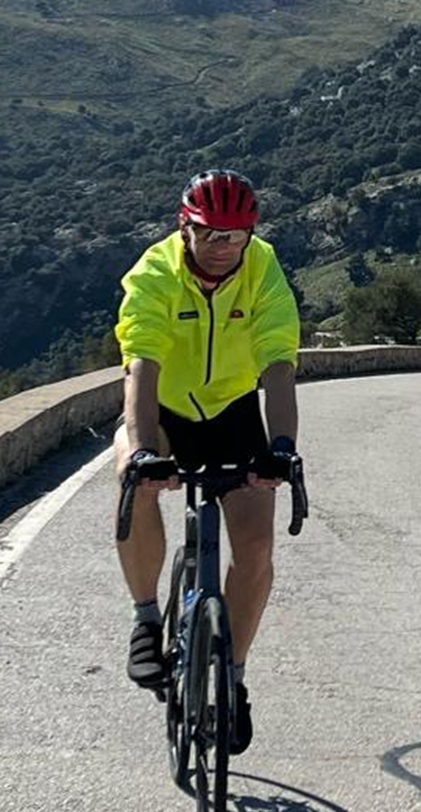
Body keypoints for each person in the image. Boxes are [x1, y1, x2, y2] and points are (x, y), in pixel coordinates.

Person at [112, 169, 302, 753]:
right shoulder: (155, 273)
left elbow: (279, 364)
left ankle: (233, 680)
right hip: (165, 411)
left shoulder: (262, 267)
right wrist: (144, 452)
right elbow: (141, 365)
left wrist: (281, 448)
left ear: (251, 234)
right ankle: (147, 618)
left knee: (257, 547)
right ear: (184, 227)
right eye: (209, 234)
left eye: (236, 236)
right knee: (132, 477)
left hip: (233, 414)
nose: (223, 247)